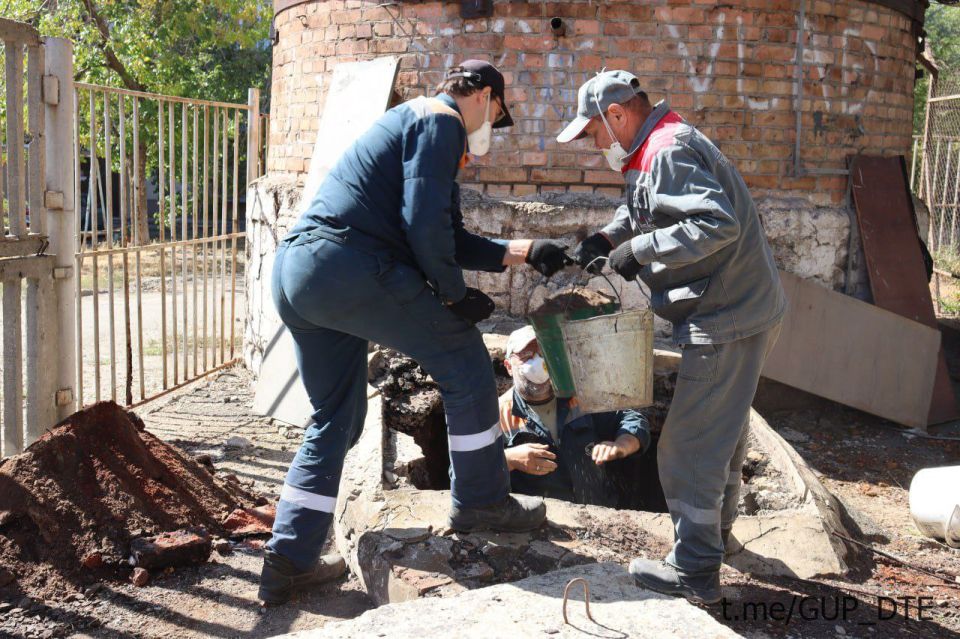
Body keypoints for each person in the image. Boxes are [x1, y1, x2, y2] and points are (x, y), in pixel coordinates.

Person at [260, 60, 573, 605]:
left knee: (337, 417)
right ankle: (480, 501)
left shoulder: (417, 131)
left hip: (300, 275)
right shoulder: (439, 118)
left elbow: (446, 234)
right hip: (347, 266)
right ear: (483, 95)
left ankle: (289, 560)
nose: (489, 131)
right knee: (466, 360)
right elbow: (424, 229)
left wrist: (524, 252)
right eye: (496, 114)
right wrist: (453, 296)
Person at [556, 70, 787, 605]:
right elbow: (652, 205)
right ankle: (716, 539)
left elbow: (713, 224)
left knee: (688, 445)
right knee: (719, 434)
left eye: (592, 132)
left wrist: (639, 251)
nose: (594, 145)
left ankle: (694, 570)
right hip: (742, 307)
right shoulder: (657, 144)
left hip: (728, 315)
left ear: (616, 115)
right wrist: (611, 235)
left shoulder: (665, 151)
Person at [498, 326, 651, 508]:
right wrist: (508, 459)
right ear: (508, 366)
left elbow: (631, 417)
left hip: (601, 513)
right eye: (526, 356)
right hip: (542, 523)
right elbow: (469, 471)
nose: (537, 363)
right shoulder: (497, 414)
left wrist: (622, 445)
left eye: (543, 354)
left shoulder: (580, 396)